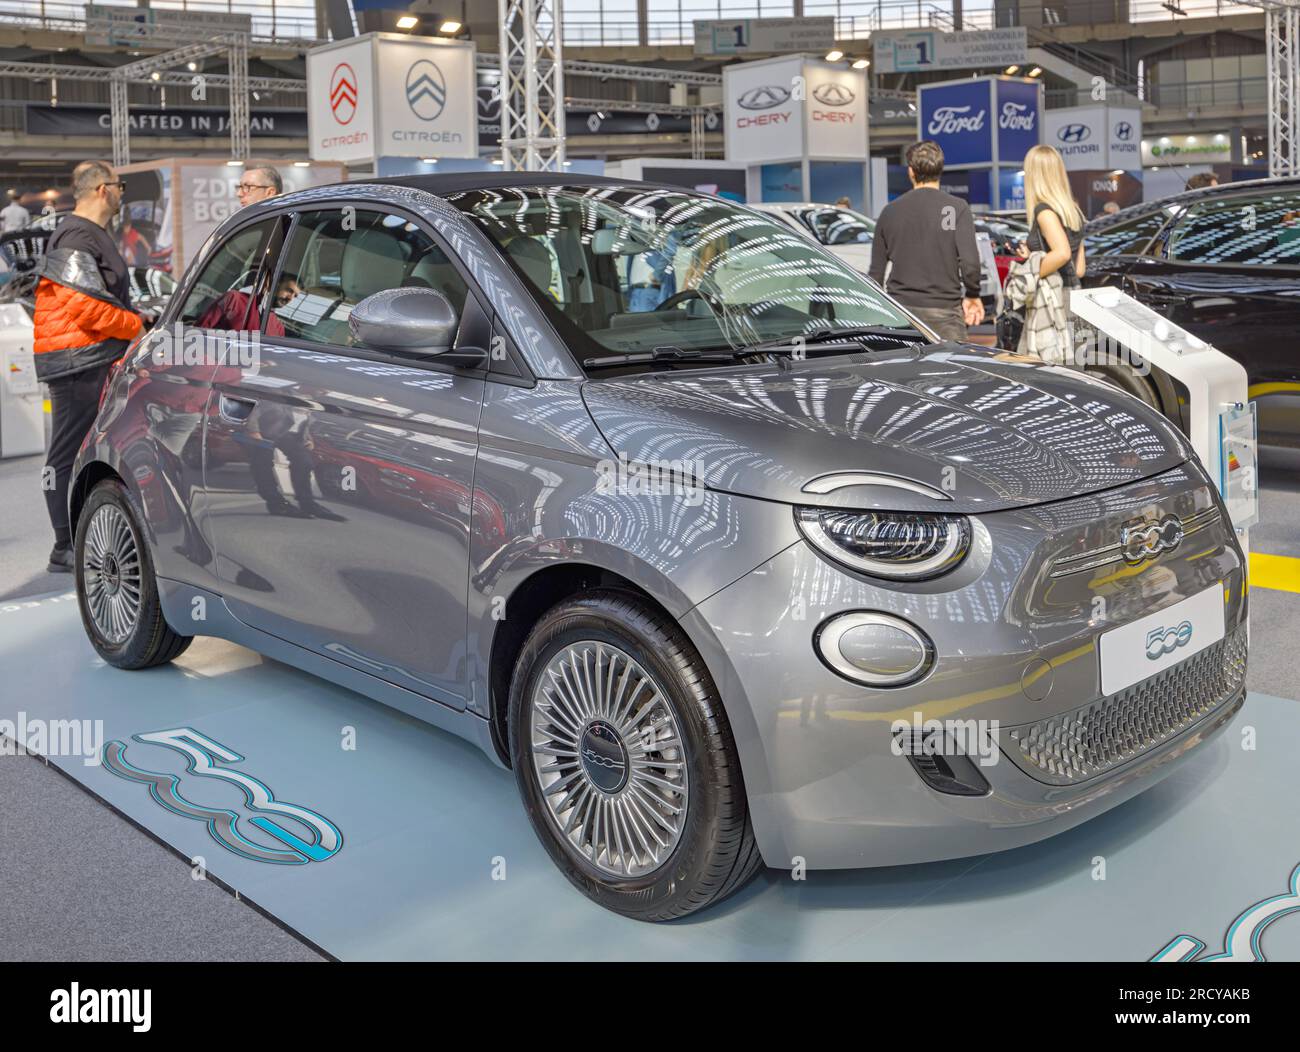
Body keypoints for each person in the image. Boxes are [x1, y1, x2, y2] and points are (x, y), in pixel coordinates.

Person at [33, 160, 143, 573]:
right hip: (79, 359)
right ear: (102, 189)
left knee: (78, 449)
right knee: (65, 452)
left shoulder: (87, 234)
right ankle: (63, 546)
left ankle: (77, 537)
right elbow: (83, 304)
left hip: (88, 355)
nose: (121, 192)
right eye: (120, 185)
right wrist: (134, 325)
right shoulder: (78, 233)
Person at [868, 140, 983, 342]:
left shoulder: (890, 211)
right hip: (945, 313)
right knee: (953, 372)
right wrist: (973, 294)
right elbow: (970, 263)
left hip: (901, 313)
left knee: (903, 373)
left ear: (911, 172)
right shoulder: (957, 208)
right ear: (940, 170)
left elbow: (875, 275)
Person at [1014, 144, 1086, 362]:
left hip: (1050, 302)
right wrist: (1034, 254)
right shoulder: (1073, 211)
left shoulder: (1044, 212)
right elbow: (1079, 268)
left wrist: (1030, 271)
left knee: (1036, 370)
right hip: (1072, 297)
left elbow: (1062, 253)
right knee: (1068, 369)